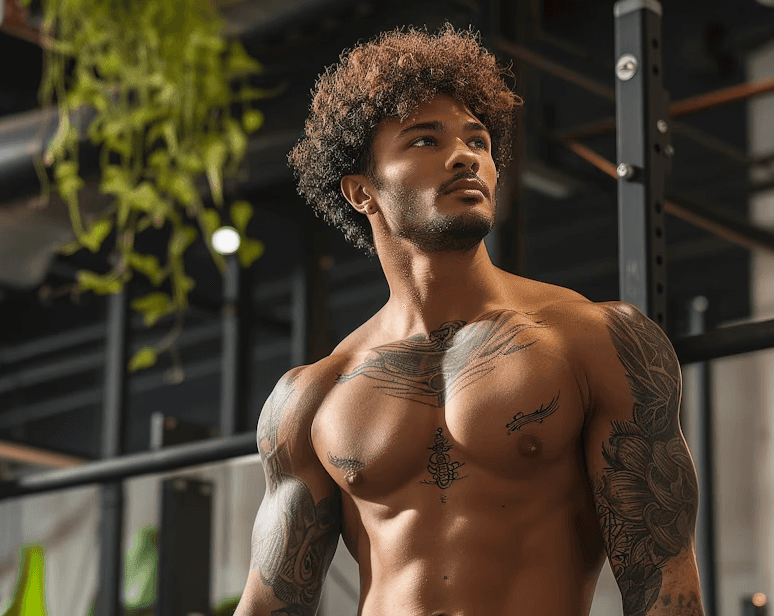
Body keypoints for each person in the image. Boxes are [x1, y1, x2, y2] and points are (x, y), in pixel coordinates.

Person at [235, 25, 704, 616]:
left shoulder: (594, 341)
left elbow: (663, 589)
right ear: (362, 192)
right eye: (424, 141)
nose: (465, 156)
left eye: (478, 141)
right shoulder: (311, 397)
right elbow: (269, 607)